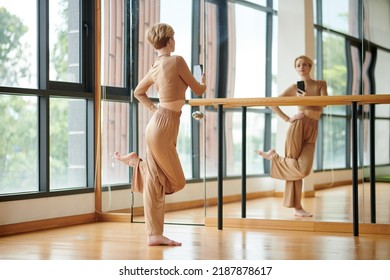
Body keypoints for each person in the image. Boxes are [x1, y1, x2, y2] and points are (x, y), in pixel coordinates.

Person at [114, 23, 206, 246]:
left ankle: (154, 235)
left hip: (159, 124)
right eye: (173, 37)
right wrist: (201, 79)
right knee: (177, 180)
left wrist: (154, 110)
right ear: (170, 40)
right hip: (164, 125)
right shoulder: (177, 61)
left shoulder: (155, 66)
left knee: (155, 182)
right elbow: (199, 90)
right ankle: (139, 164)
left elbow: (138, 92)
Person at [256, 55, 327, 217]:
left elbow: (324, 103)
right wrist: (288, 119)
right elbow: (272, 103)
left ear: (310, 66)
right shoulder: (295, 87)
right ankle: (297, 208)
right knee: (295, 166)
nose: (301, 67)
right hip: (298, 126)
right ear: (296, 69)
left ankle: (274, 157)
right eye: (298, 65)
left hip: (313, 127)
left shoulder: (320, 84)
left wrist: (306, 98)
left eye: (304, 64)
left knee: (302, 168)